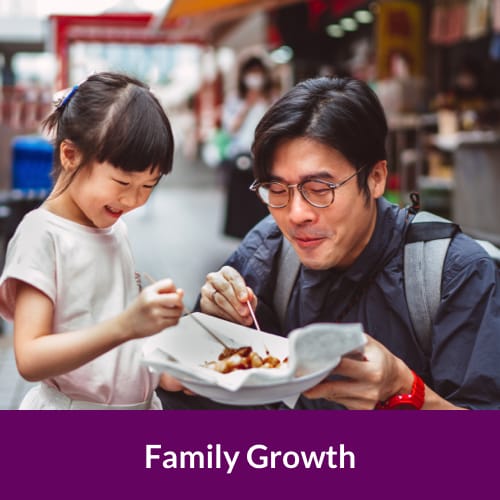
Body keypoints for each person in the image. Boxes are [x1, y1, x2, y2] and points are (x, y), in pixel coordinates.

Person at [162, 76, 500, 410]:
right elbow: (194, 384)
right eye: (277, 190)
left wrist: (405, 388)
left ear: (376, 178)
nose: (296, 214)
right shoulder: (268, 247)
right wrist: (211, 319)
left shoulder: (454, 273)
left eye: (320, 190)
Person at [0, 72, 185, 409]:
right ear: (70, 155)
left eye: (149, 186)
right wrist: (126, 325)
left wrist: (166, 371)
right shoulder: (41, 235)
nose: (133, 201)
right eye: (122, 182)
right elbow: (29, 357)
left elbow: (116, 345)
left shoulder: (114, 229)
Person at [220, 55, 273, 238]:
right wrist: (248, 105)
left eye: (258, 72)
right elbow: (230, 129)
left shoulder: (271, 98)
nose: (255, 77)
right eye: (251, 72)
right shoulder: (235, 98)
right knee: (242, 203)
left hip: (264, 158)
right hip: (241, 157)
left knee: (261, 204)